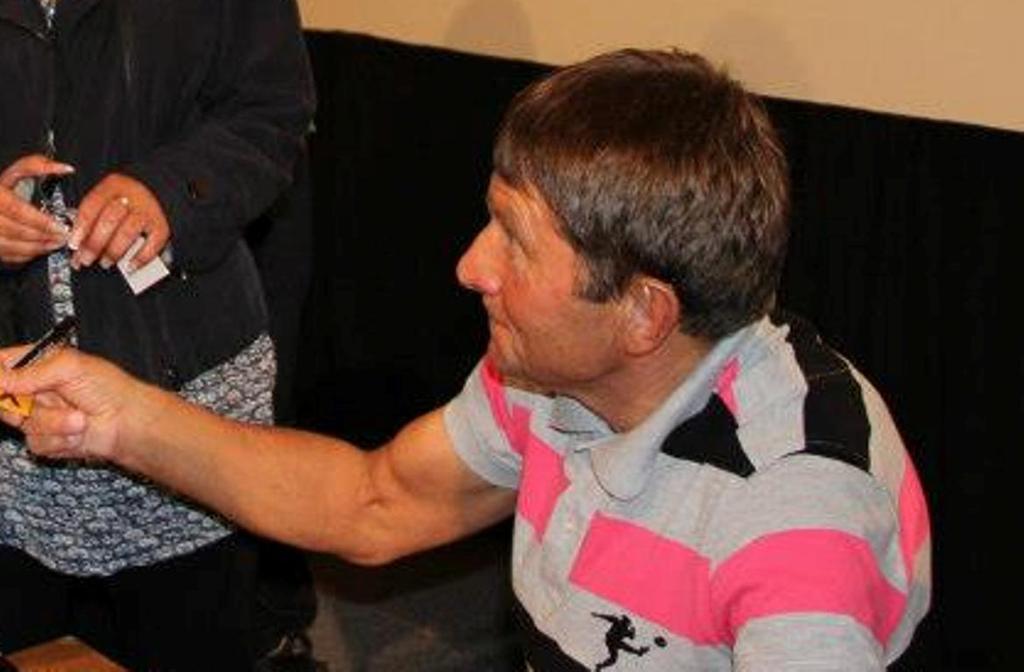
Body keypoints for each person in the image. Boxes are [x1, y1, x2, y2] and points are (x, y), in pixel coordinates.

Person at [2, 48, 931, 670]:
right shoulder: (557, 379)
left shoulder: (797, 521)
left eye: (515, 242)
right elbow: (373, 501)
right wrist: (117, 418)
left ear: (644, 312)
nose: (471, 267)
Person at [0, 0, 317, 668]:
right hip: (11, 394)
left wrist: (174, 190)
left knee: (185, 633)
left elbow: (274, 107)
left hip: (183, 371)